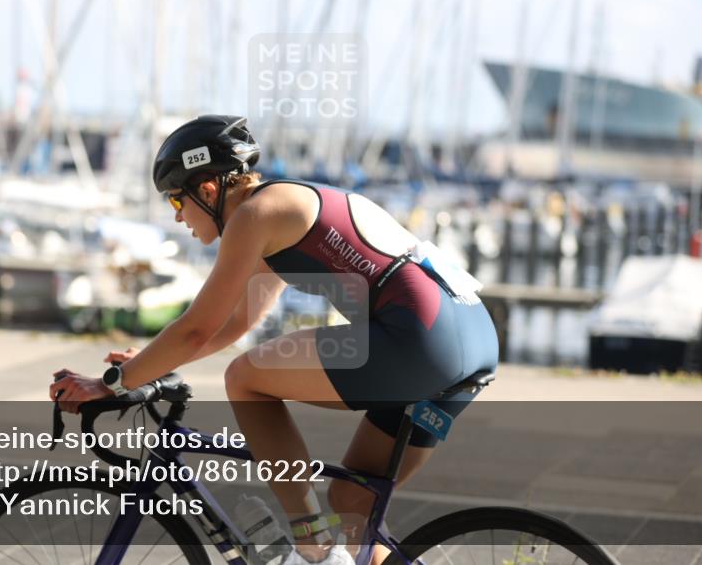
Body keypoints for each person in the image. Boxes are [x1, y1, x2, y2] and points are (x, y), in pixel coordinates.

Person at [50, 115, 499, 565]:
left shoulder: (254, 215)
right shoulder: (281, 206)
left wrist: (110, 383)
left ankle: (311, 548)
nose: (178, 216)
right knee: (353, 502)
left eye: (175, 200)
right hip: (470, 337)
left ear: (208, 189)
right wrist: (149, 363)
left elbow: (195, 329)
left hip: (422, 337)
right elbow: (236, 323)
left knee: (245, 379)